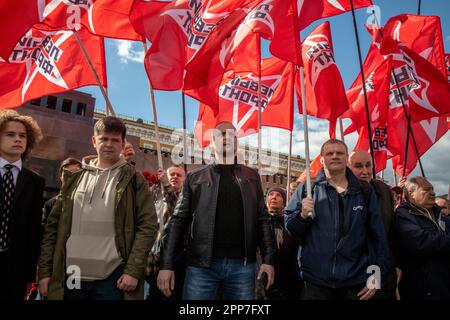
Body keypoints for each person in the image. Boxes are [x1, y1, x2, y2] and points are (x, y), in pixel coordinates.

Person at [38, 116, 158, 300]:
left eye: (115, 140)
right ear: (94, 141)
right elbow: (52, 228)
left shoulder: (134, 179)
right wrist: (45, 271)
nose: (109, 144)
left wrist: (133, 270)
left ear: (123, 143)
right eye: (104, 139)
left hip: (113, 279)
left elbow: (148, 226)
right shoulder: (73, 178)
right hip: (71, 276)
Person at [157, 121, 276, 300]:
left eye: (231, 135)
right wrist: (166, 264)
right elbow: (178, 220)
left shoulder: (252, 177)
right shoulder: (195, 177)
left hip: (243, 266)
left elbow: (262, 220)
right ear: (212, 142)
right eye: (220, 134)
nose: (226, 137)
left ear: (237, 143)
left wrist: (268, 260)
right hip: (201, 266)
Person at [285, 139, 389, 300]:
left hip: (356, 281)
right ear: (321, 159)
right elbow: (290, 228)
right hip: (315, 281)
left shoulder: (364, 190)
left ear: (347, 158)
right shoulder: (307, 188)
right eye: (329, 153)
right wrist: (302, 216)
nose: (334, 156)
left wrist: (377, 272)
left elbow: (377, 236)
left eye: (339, 153)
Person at [0, 110, 45, 300]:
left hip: (15, 271)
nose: (18, 139)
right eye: (10, 134)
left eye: (22, 136)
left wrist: (29, 275)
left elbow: (33, 231)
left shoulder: (35, 181)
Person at [348, 150, 399, 299]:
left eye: (368, 165)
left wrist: (396, 264)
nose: (365, 171)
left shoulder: (384, 190)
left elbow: (390, 235)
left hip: (383, 272)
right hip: (355, 277)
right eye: (358, 166)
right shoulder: (340, 191)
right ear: (348, 167)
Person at [395, 177, 450, 299]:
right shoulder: (403, 214)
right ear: (411, 194)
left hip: (443, 285)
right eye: (426, 190)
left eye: (432, 189)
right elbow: (419, 243)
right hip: (422, 289)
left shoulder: (439, 213)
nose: (433, 193)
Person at [148, 165, 187, 300]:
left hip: (173, 262)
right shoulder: (156, 196)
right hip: (151, 261)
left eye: (179, 175)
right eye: (172, 174)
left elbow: (176, 211)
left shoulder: (186, 198)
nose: (175, 177)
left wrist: (166, 185)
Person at [261, 187, 301, 300]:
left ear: (284, 201)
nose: (274, 197)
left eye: (278, 195)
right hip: (264, 274)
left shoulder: (290, 222)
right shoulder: (260, 222)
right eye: (271, 194)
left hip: (287, 277)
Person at [41, 158, 81, 228]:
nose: (72, 177)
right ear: (61, 177)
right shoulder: (50, 204)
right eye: (67, 173)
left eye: (76, 173)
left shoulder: (89, 201)